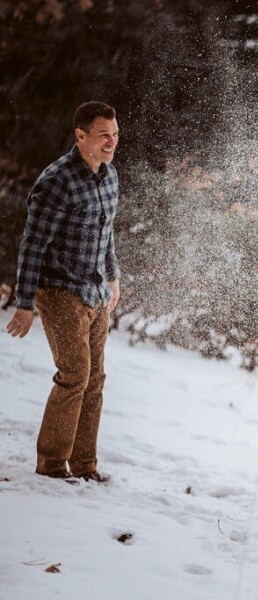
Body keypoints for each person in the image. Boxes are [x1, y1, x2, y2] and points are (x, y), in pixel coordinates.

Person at [5, 101, 121, 483]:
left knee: (96, 378)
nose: (111, 142)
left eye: (115, 134)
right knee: (75, 373)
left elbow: (106, 235)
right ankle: (52, 465)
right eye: (103, 134)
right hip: (58, 290)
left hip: (94, 292)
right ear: (81, 135)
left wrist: (112, 277)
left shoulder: (109, 176)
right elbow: (32, 245)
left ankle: (85, 466)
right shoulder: (56, 181)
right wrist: (24, 304)